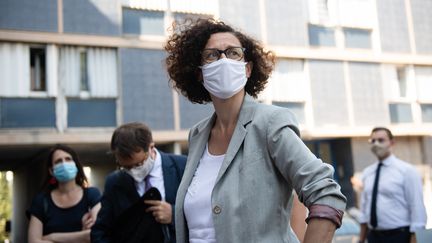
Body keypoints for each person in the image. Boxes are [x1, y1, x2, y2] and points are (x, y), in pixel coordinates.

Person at [164, 18, 347, 243]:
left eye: (233, 53)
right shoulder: (197, 134)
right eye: (212, 55)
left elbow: (325, 192)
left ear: (247, 68)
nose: (223, 59)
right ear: (200, 72)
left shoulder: (270, 122)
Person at [91, 122, 187, 243]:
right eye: (126, 167)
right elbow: (100, 231)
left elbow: (206, 212)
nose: (133, 171)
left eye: (138, 165)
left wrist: (174, 215)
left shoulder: (183, 167)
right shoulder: (114, 182)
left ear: (151, 148)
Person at [358, 127, 427, 243]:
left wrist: (415, 239)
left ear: (392, 142)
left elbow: (417, 208)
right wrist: (361, 239)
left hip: (399, 236)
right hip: (373, 237)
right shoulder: (367, 173)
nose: (376, 144)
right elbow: (364, 210)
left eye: (381, 140)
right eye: (373, 141)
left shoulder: (407, 171)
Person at [27, 144, 101, 243]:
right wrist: (81, 236)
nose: (64, 164)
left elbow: (96, 234)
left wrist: (52, 237)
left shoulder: (92, 195)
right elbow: (33, 241)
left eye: (68, 159)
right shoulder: (41, 201)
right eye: (58, 161)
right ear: (51, 171)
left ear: (75, 165)